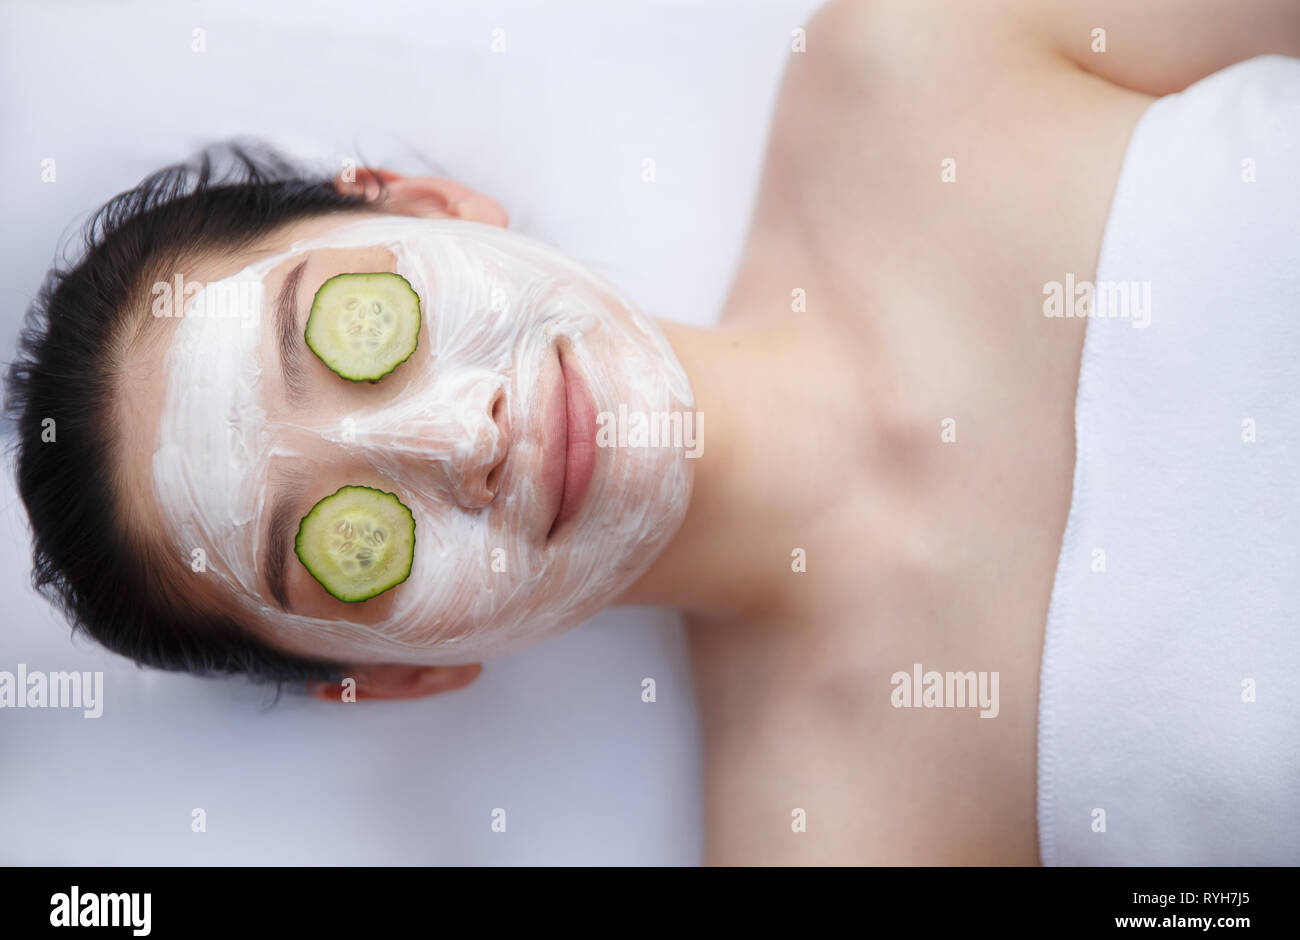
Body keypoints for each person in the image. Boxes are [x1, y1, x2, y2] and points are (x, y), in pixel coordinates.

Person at [6, 0, 1299, 864]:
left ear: (432, 206)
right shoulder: (832, 840)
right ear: (399, 678)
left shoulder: (912, 58)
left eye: (352, 327)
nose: (464, 439)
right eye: (348, 540)